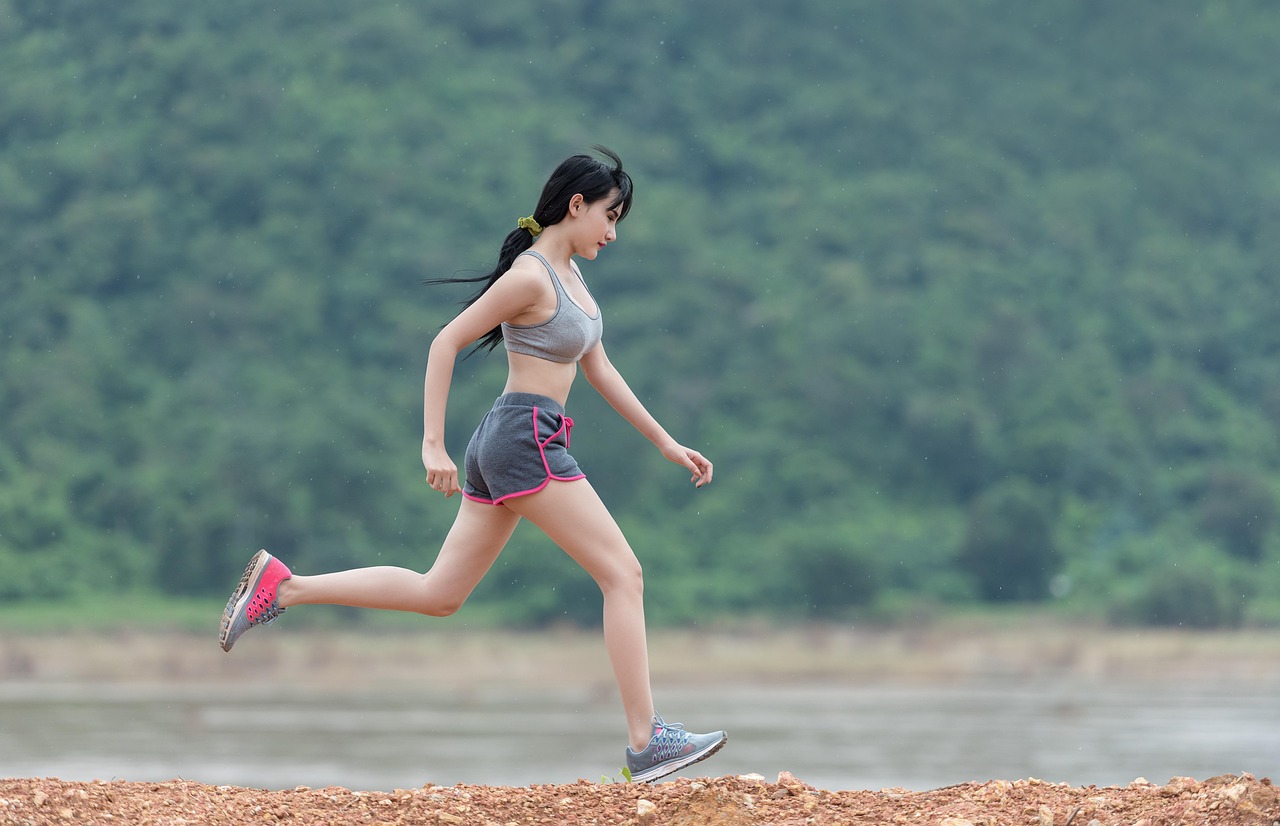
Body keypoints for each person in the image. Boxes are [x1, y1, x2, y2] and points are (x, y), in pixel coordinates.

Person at [218, 147, 727, 783]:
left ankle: (285, 587)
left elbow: (599, 367)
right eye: (609, 215)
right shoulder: (532, 276)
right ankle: (647, 742)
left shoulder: (571, 279)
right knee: (624, 574)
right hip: (524, 440)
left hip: (510, 441)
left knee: (440, 594)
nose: (613, 231)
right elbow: (445, 341)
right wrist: (431, 444)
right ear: (577, 205)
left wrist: (664, 441)